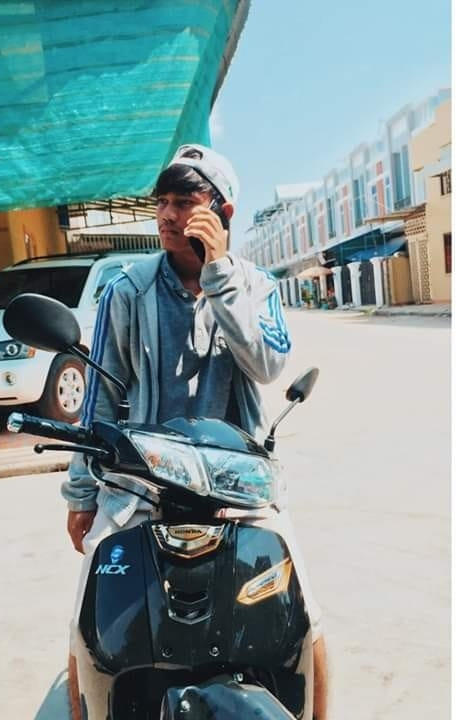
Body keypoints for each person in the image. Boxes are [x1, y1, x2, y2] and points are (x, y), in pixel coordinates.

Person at [61, 143, 328, 720]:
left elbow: (268, 366)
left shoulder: (257, 287)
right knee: (90, 614)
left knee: (303, 611)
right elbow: (99, 400)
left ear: (223, 213)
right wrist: (82, 495)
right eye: (161, 203)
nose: (167, 216)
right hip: (140, 485)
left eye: (184, 202)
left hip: (238, 485)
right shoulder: (126, 290)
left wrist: (220, 277)